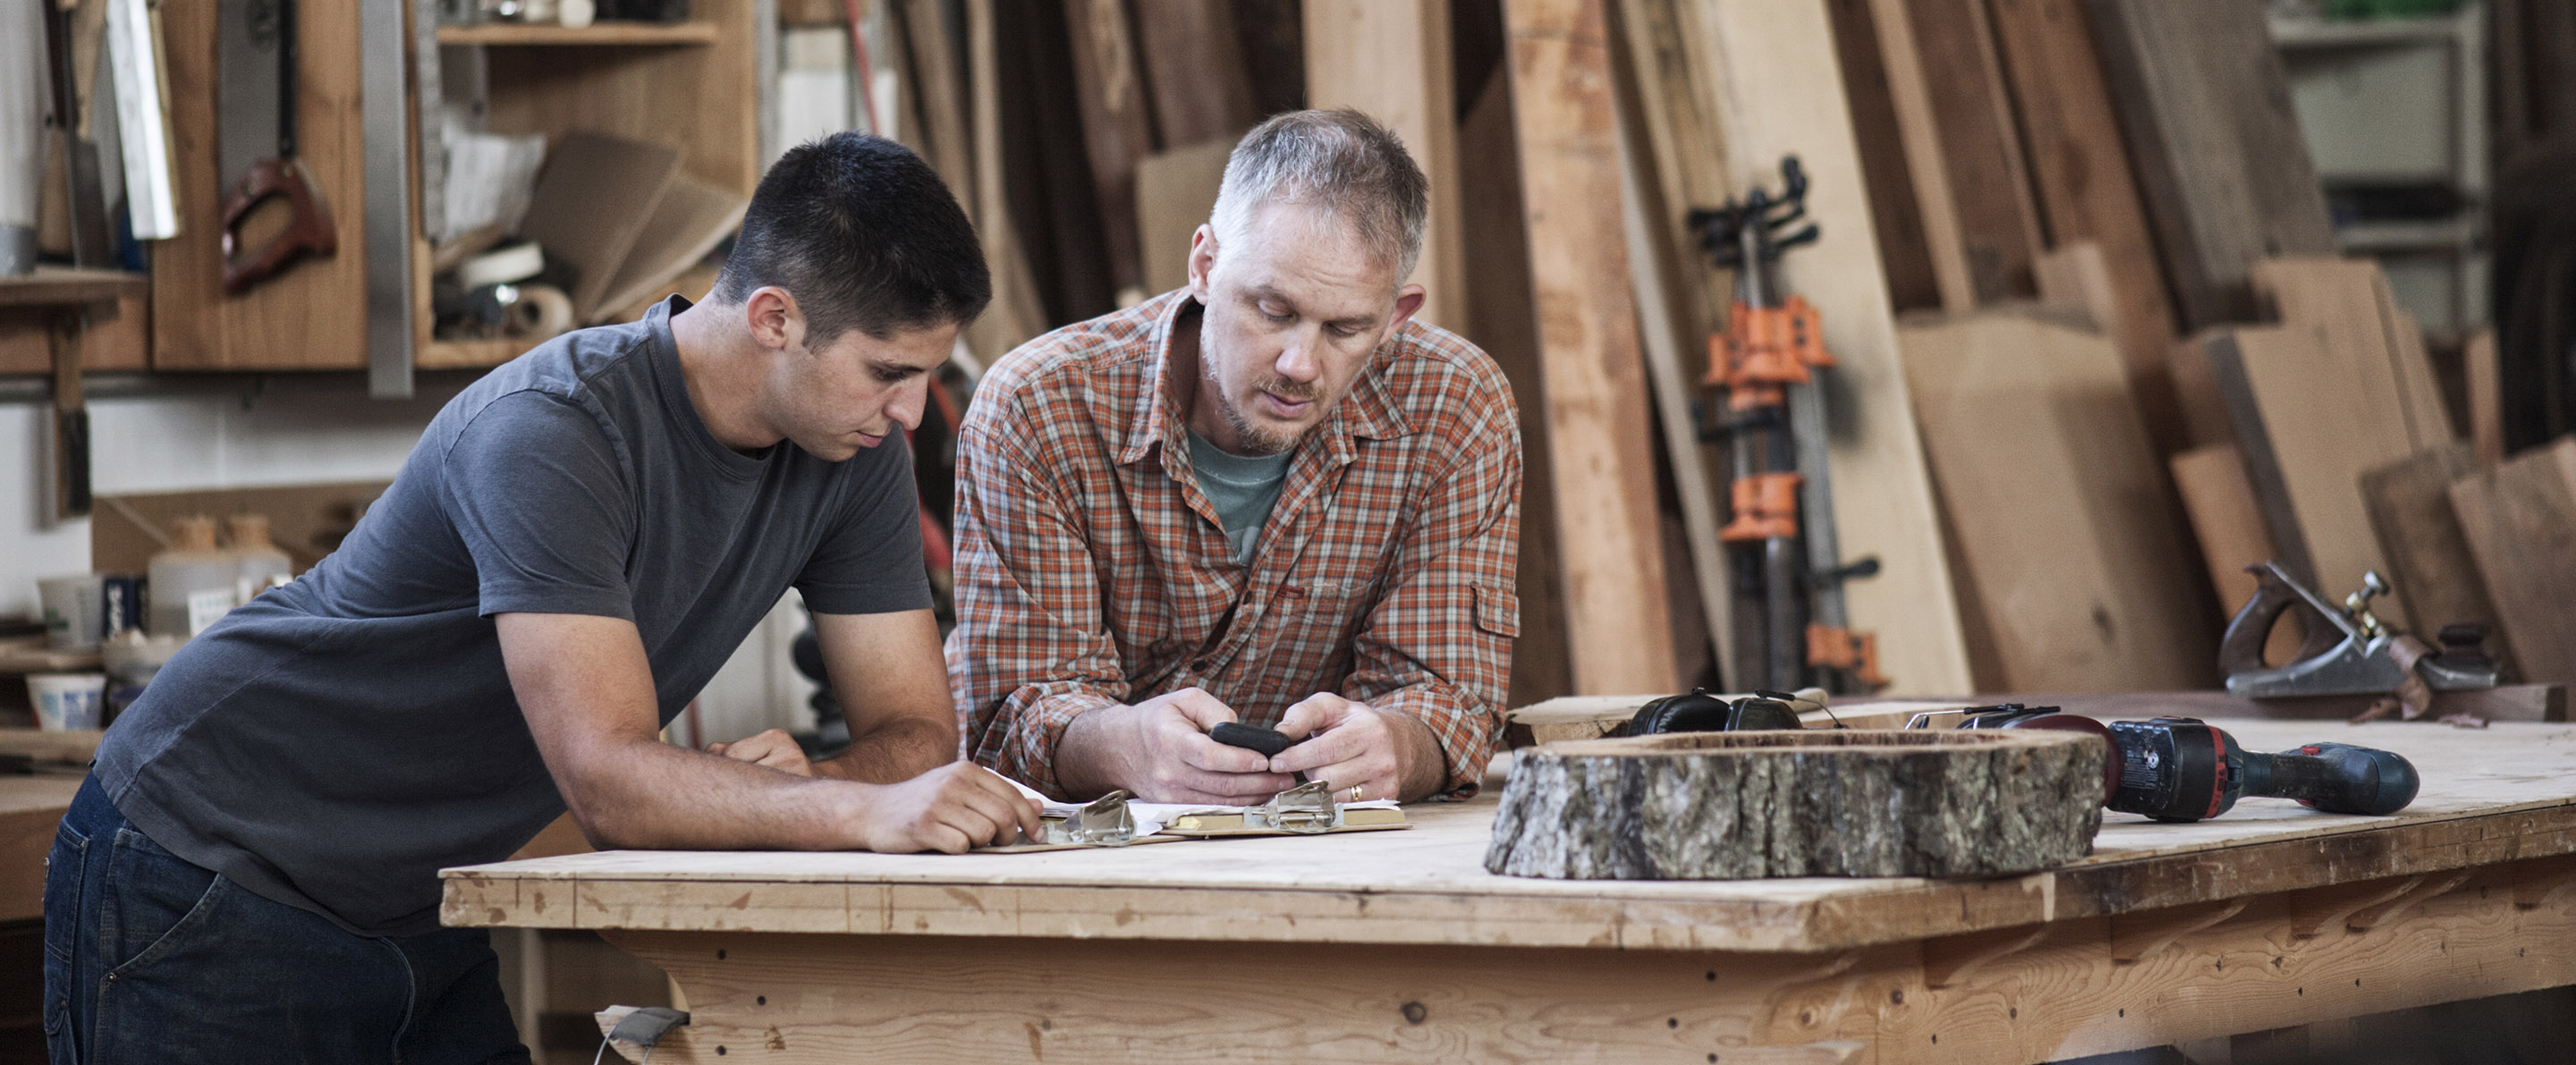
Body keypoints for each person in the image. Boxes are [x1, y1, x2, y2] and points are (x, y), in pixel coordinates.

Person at [46, 133, 1040, 1064]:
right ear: (776, 319)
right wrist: (846, 806)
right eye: (889, 372)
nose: (912, 410)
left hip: (415, 899)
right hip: (212, 859)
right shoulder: (555, 431)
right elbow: (610, 786)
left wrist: (815, 784)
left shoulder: (854, 448)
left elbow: (917, 734)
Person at [946, 110, 1522, 809]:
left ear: (1397, 316)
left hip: (1337, 845)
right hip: (1097, 848)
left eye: (1346, 329)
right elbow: (1011, 709)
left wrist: (1396, 747)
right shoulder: (1040, 408)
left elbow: (1449, 697)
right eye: (1273, 311)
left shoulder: (1454, 408)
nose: (1300, 364)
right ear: (1204, 265)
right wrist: (1122, 746)